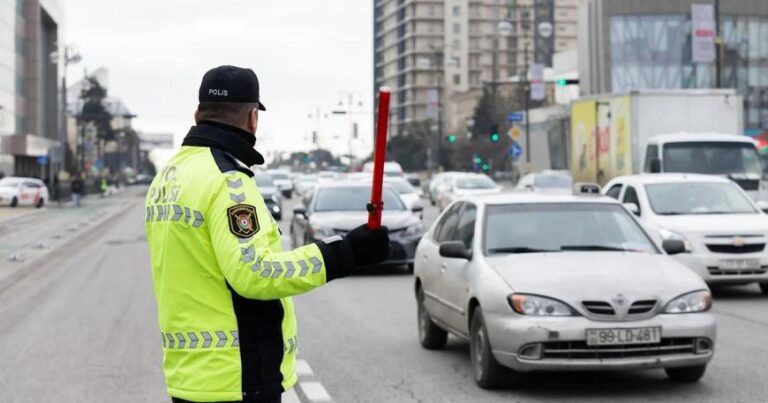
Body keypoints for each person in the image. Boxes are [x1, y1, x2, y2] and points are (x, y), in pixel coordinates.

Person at [144, 65, 391, 403]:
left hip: (189, 375)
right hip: (237, 377)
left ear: (198, 113)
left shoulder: (168, 176)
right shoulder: (229, 182)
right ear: (252, 119)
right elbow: (254, 273)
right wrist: (347, 253)